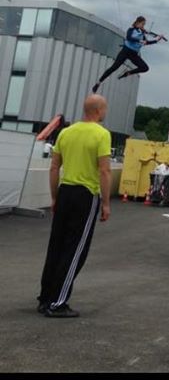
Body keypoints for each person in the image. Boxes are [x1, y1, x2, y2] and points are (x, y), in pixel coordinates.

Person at [36, 94, 111, 318]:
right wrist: (106, 203)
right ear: (98, 110)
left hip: (65, 191)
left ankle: (45, 297)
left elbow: (54, 167)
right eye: (105, 109)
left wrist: (54, 197)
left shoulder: (66, 132)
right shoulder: (101, 134)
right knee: (76, 248)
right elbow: (105, 171)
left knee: (56, 246)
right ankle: (58, 302)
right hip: (86, 194)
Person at [92, 16, 164, 92]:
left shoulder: (142, 34)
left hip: (134, 54)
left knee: (145, 68)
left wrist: (156, 40)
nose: (143, 26)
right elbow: (129, 38)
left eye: (144, 25)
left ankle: (128, 73)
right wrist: (140, 40)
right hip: (125, 51)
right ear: (138, 23)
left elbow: (146, 42)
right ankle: (98, 83)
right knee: (114, 67)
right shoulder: (131, 30)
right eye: (142, 24)